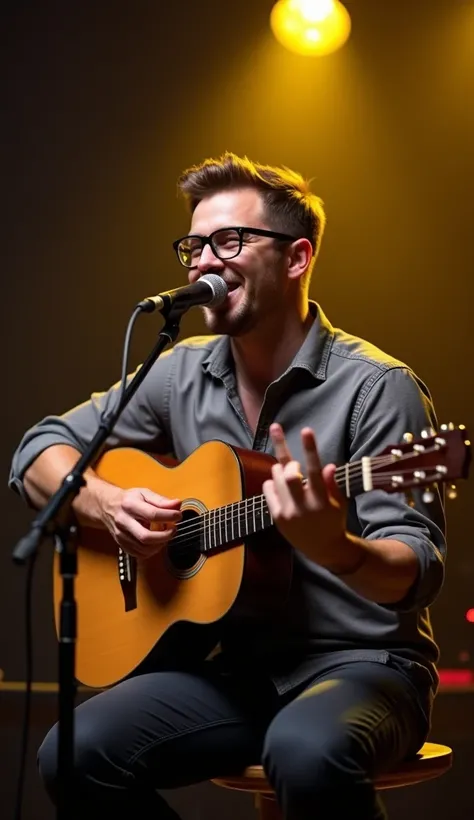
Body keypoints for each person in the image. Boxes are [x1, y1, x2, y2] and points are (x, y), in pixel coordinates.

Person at [9, 152, 446, 820]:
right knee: (73, 752)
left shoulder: (377, 387)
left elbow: (416, 569)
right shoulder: (177, 372)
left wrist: (338, 548)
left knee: (303, 750)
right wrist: (109, 503)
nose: (201, 262)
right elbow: (37, 449)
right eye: (194, 246)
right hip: (241, 672)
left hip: (366, 667)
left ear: (297, 258)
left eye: (229, 242)